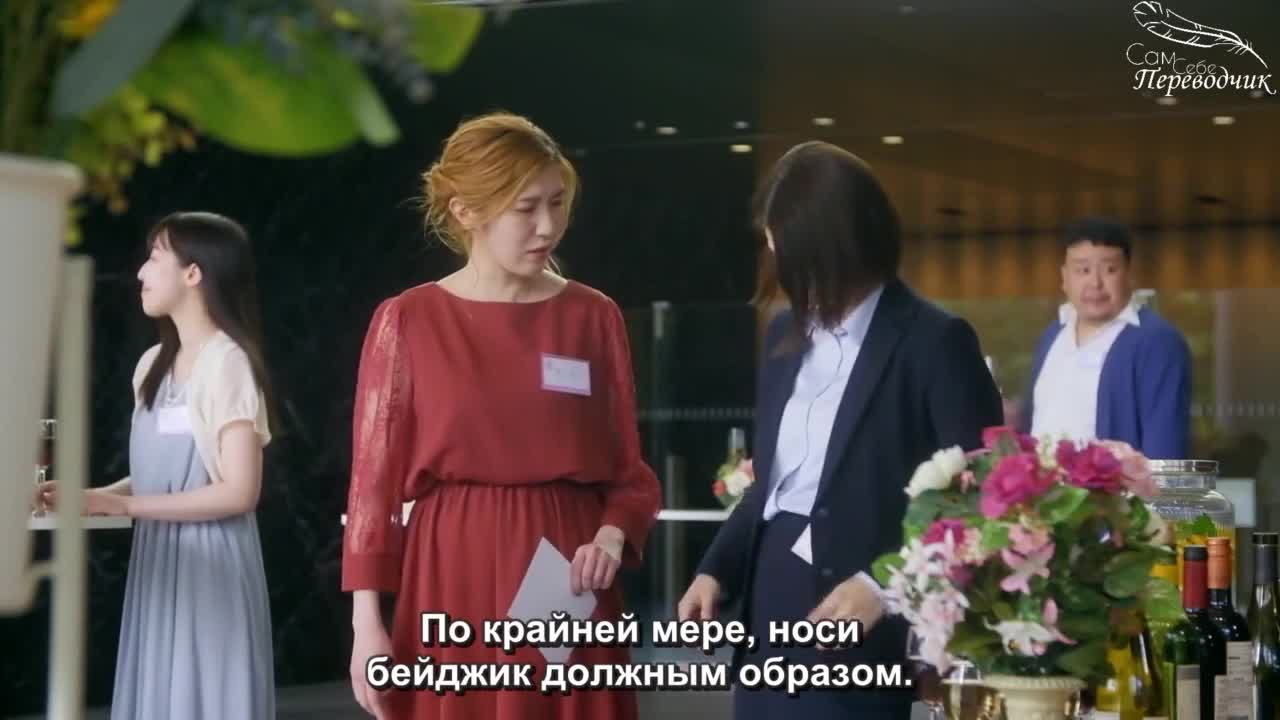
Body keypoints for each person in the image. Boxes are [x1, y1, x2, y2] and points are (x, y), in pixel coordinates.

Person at [341, 112, 662, 720]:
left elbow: (629, 472)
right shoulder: (408, 319)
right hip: (449, 566)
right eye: (526, 209)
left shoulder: (593, 316)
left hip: (567, 573)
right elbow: (372, 487)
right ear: (465, 212)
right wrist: (366, 624)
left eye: (557, 203)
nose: (548, 226)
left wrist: (612, 534)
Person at [677, 141, 1003, 720]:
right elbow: (770, 485)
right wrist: (714, 569)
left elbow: (981, 501)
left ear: (834, 246)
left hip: (861, 621)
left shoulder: (934, 341)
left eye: (787, 250)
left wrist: (883, 588)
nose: (779, 267)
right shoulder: (783, 337)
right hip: (769, 608)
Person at [35, 211, 277, 719]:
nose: (141, 272)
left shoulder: (227, 363)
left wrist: (121, 505)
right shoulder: (151, 366)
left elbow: (239, 491)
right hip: (159, 560)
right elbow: (157, 478)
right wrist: (91, 497)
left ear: (194, 272)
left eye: (155, 257)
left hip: (211, 566)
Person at [1019, 217, 1192, 459]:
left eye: (1110, 269)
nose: (1095, 283)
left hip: (1114, 485)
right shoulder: (1052, 336)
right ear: (1064, 278)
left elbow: (1166, 448)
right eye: (1083, 270)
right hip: (1043, 482)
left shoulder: (1157, 342)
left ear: (1129, 275)